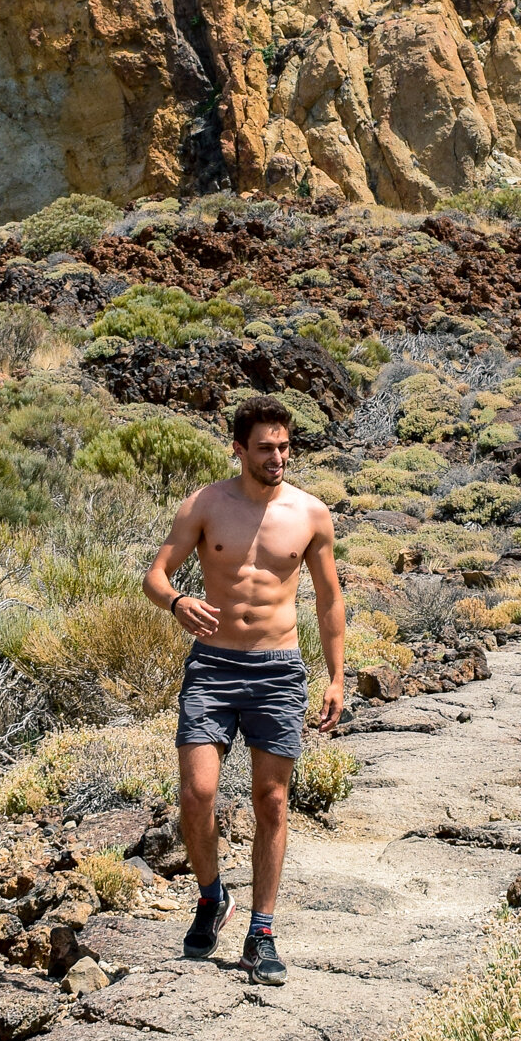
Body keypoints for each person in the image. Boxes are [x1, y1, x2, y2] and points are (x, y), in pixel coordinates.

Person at [142, 394, 345, 985]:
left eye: (284, 446)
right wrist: (178, 601)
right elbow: (155, 575)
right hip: (213, 667)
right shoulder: (206, 504)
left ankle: (262, 932)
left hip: (278, 671)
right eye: (265, 448)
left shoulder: (311, 515)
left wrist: (336, 677)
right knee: (197, 793)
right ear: (239, 449)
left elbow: (330, 600)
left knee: (272, 801)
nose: (278, 457)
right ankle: (211, 897)